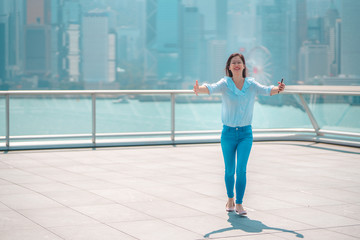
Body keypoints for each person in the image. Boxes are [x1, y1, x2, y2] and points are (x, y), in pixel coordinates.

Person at [193, 53, 285, 216]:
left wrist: (278, 89)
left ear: (243, 67)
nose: (236, 64)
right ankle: (230, 199)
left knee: (241, 169)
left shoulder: (251, 84)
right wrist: (198, 89)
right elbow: (211, 88)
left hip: (245, 134)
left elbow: (266, 90)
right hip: (228, 133)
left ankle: (240, 203)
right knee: (230, 170)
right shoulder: (225, 83)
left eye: (239, 62)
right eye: (233, 62)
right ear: (229, 67)